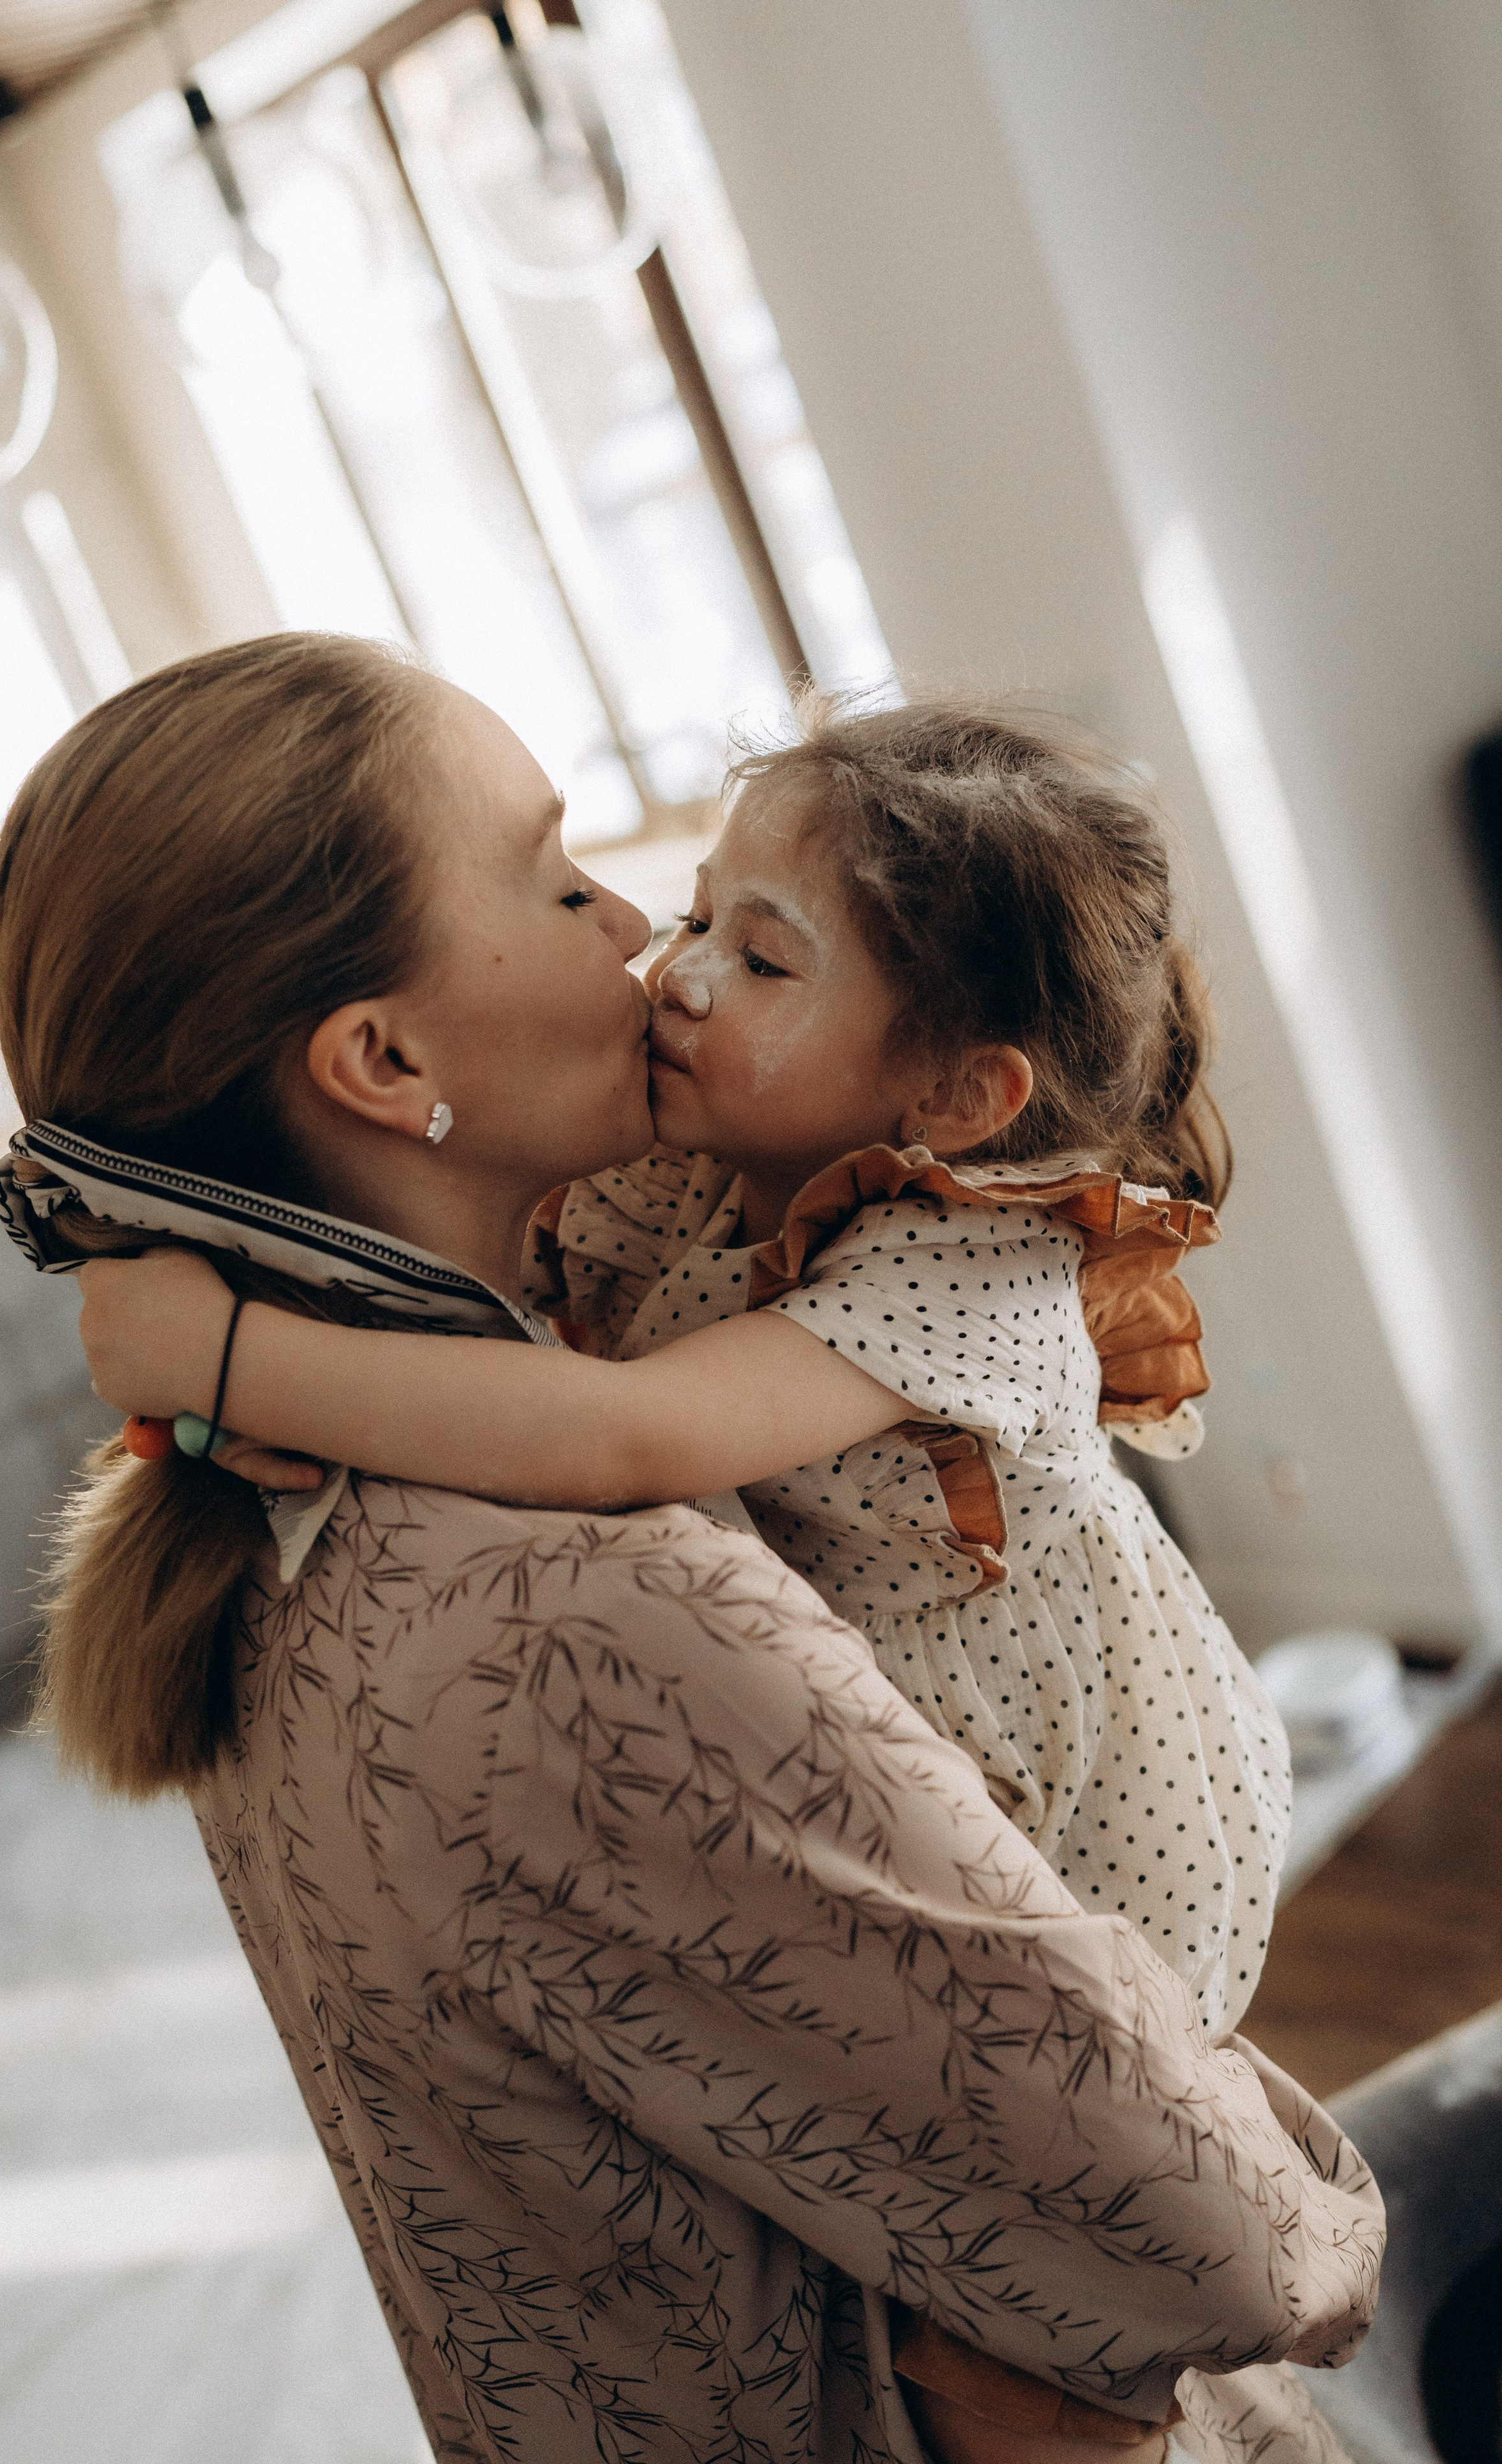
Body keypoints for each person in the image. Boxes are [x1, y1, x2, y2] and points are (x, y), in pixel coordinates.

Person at [0, 635, 1379, 2464]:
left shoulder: (281, 1493)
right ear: (385, 1057)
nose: (640, 929)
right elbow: (1231, 2250)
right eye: (559, 880)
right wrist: (1323, 2223)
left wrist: (211, 1332)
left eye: (741, 934)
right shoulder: (599, 1605)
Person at [79, 696, 1284, 2041]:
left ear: (951, 1099)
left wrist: (227, 1359)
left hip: (1065, 1788)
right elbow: (501, 1336)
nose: (676, 965)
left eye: (763, 963)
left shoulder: (966, 1272)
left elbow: (619, 1434)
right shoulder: (678, 1171)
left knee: (1097, 2068)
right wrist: (264, 1392)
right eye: (703, 913)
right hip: (865, 1754)